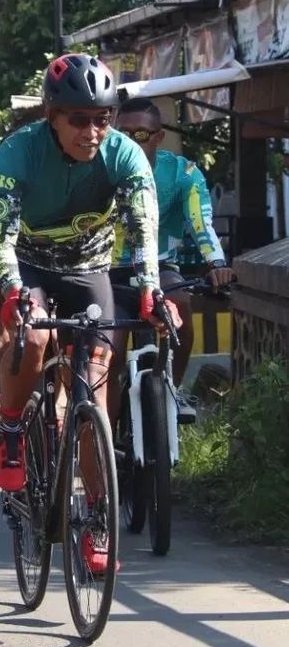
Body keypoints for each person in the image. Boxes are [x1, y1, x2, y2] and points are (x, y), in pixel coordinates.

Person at [0, 53, 179, 574]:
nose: (92, 131)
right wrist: (12, 291)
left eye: (102, 118)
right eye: (79, 119)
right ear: (52, 116)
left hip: (88, 269)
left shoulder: (124, 155)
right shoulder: (17, 152)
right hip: (28, 264)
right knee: (35, 338)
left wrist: (150, 290)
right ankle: (11, 430)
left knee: (92, 395)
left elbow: (143, 229)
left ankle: (96, 521)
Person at [111, 97, 235, 420]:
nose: (131, 142)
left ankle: (173, 391)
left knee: (180, 303)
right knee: (110, 343)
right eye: (122, 134)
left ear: (158, 137)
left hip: (161, 265)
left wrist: (217, 263)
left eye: (141, 135)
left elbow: (200, 223)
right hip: (108, 268)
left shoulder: (183, 173)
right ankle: (102, 425)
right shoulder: (97, 171)